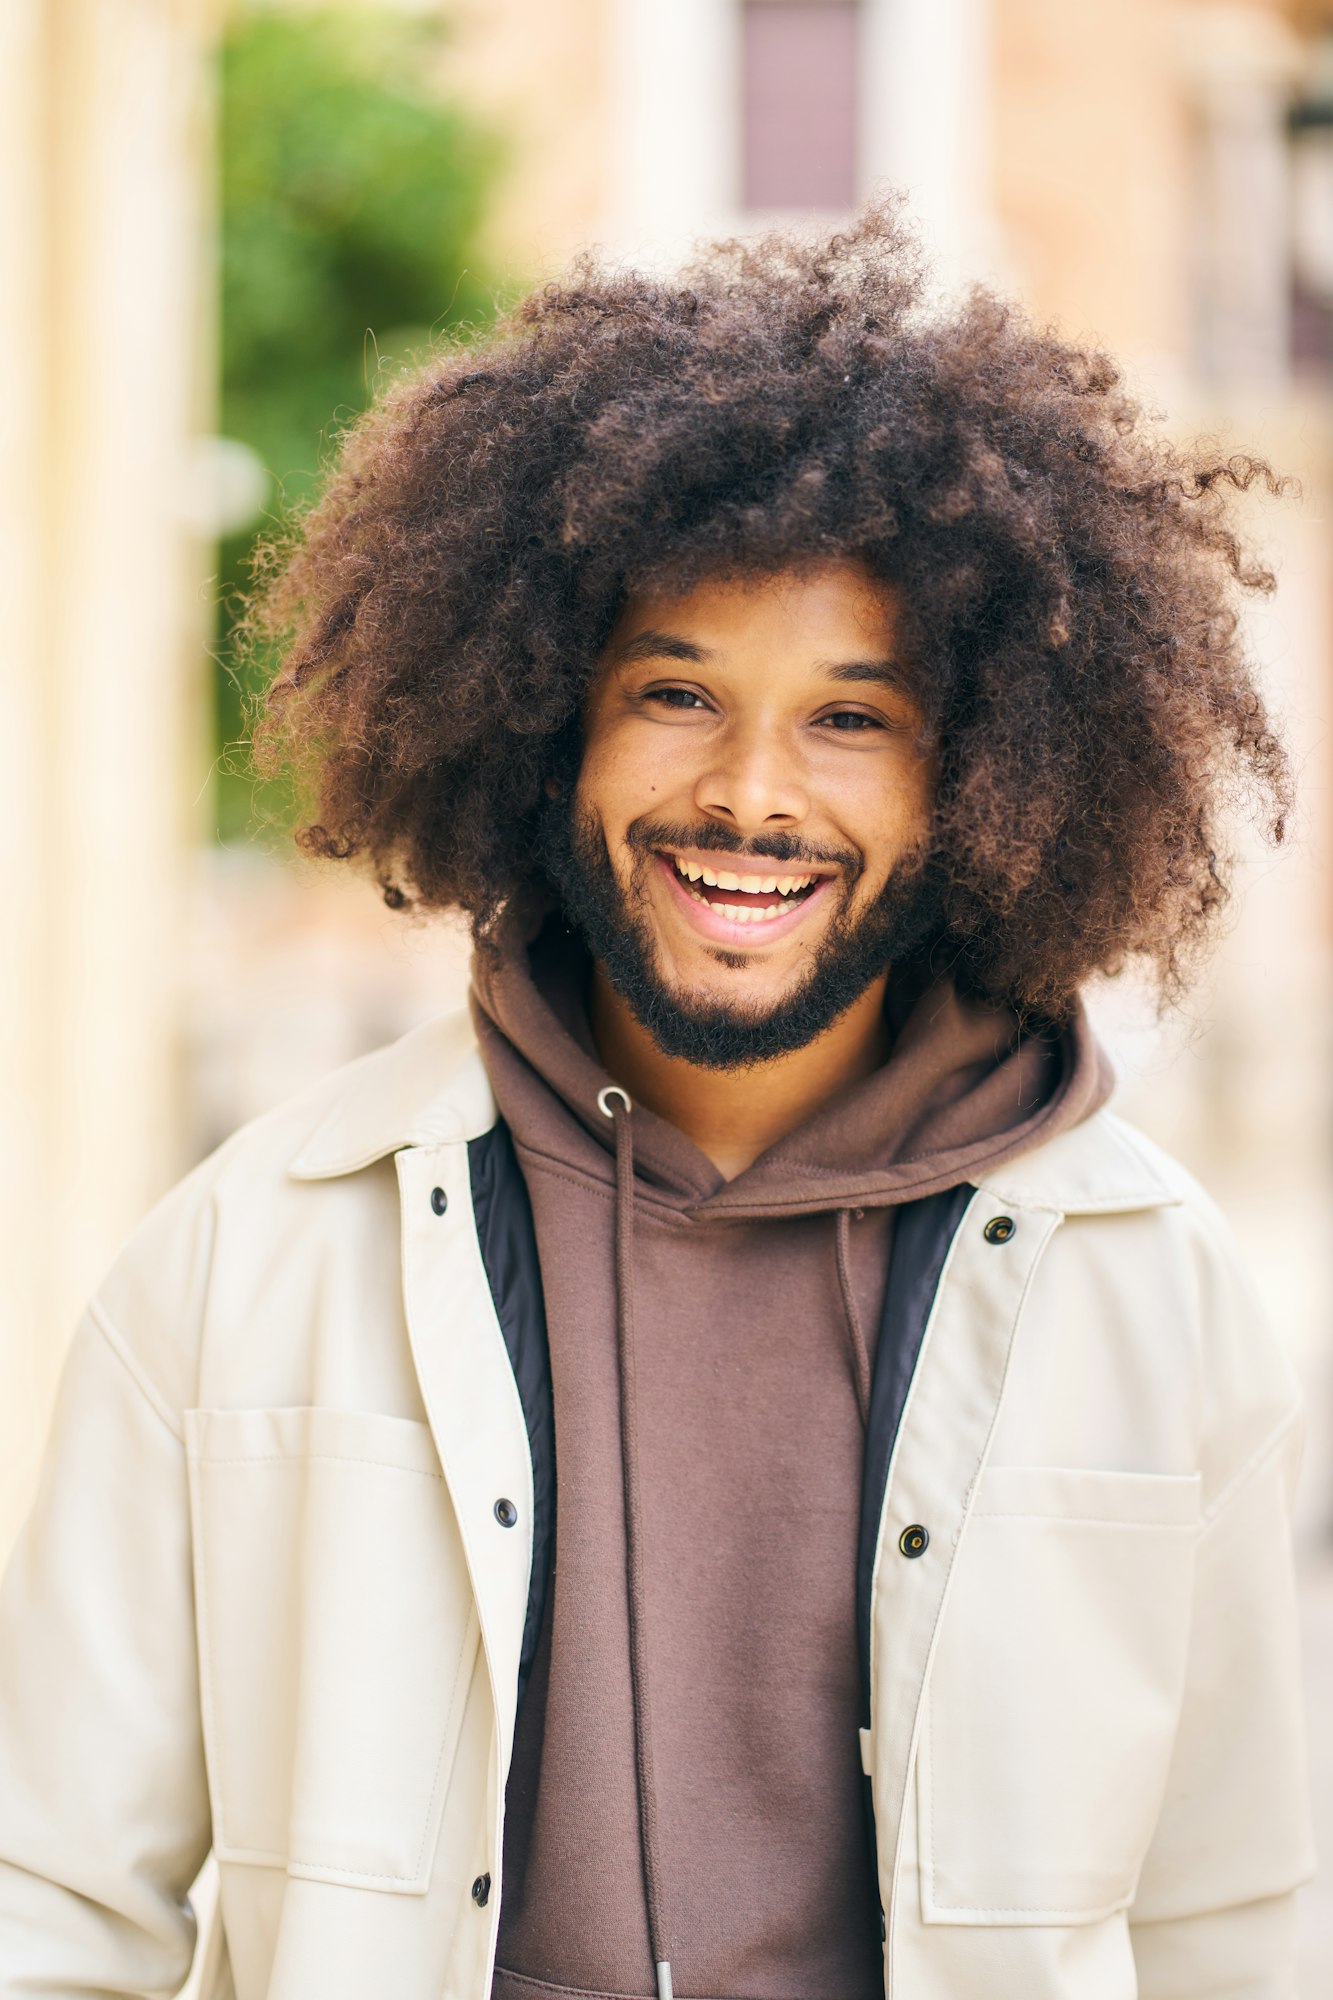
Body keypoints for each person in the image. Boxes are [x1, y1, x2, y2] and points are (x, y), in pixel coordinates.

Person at [0, 204, 1315, 2000]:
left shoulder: (1153, 1294)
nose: (751, 794)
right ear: (546, 723)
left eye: (852, 718)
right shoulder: (248, 1258)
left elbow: (1237, 1931)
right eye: (675, 694)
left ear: (993, 770)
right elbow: (51, 1902)